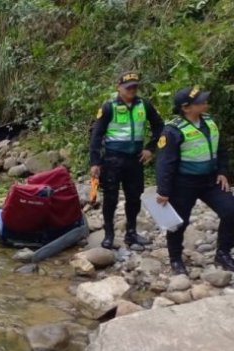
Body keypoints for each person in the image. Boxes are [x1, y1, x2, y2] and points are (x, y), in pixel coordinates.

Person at [156, 86, 234, 275]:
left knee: (231, 211)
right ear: (186, 107)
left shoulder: (209, 121)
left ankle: (222, 253)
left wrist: (223, 172)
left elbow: (220, 148)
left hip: (211, 180)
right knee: (178, 223)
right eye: (201, 101)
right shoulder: (173, 130)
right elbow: (165, 163)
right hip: (183, 184)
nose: (206, 103)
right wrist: (164, 191)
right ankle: (175, 259)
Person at [90, 71, 164, 249]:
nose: (132, 90)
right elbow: (96, 135)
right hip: (112, 160)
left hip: (135, 159)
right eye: (128, 87)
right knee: (111, 198)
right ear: (119, 88)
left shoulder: (144, 105)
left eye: (135, 86)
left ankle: (131, 233)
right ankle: (108, 234)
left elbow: (159, 126)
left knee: (134, 197)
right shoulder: (109, 107)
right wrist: (95, 162)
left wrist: (150, 148)